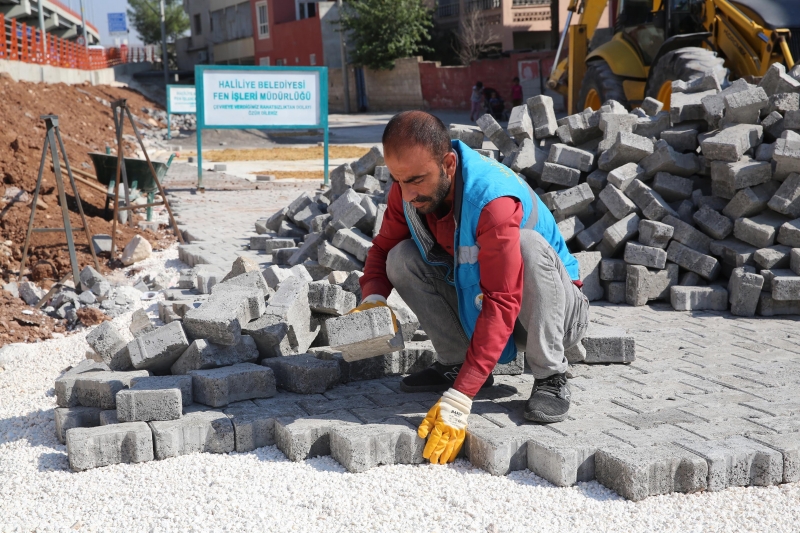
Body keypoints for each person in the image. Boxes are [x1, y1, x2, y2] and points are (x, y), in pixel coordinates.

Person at [350, 111, 589, 465]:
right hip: (480, 302)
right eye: (399, 181)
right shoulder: (408, 192)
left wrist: (462, 396)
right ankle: (456, 361)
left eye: (417, 180)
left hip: (555, 313)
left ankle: (551, 375)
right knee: (401, 257)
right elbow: (383, 248)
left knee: (527, 245)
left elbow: (503, 299)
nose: (408, 193)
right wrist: (372, 298)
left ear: (448, 164)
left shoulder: (492, 200)